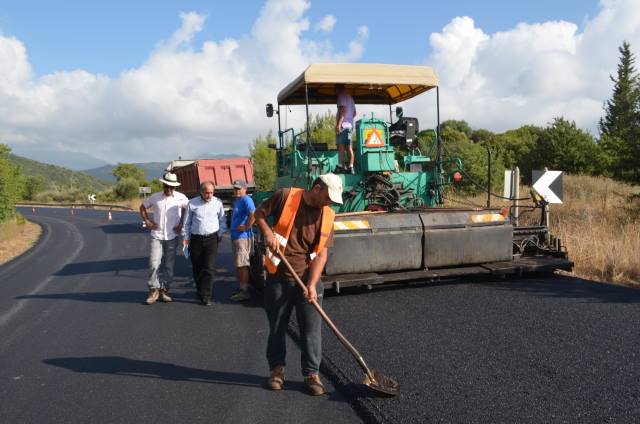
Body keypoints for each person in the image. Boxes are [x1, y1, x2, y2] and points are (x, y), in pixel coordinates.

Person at [255, 173, 343, 396]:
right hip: (278, 276)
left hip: (307, 278)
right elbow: (259, 214)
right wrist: (268, 233)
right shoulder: (286, 196)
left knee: (311, 331)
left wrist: (312, 284)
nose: (329, 202)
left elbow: (321, 255)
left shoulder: (328, 216)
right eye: (327, 196)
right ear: (316, 188)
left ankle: (311, 374)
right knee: (277, 327)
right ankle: (277, 370)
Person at [139, 172, 188, 305]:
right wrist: (147, 222)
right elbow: (142, 207)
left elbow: (189, 210)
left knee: (169, 266)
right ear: (163, 185)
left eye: (172, 187)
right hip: (157, 236)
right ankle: (153, 290)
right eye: (167, 186)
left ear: (175, 188)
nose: (169, 189)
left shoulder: (181, 198)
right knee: (153, 264)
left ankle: (164, 290)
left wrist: (182, 224)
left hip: (172, 237)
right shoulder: (155, 197)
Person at [182, 181, 227, 306]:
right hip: (196, 239)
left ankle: (206, 295)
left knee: (209, 267)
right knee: (197, 267)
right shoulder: (192, 203)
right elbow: (186, 223)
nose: (209, 195)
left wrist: (220, 233)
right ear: (201, 192)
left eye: (211, 192)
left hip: (212, 238)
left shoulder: (217, 202)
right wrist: (185, 238)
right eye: (207, 193)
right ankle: (200, 289)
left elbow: (222, 219)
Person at [229, 179, 256, 302]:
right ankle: (242, 287)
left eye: (239, 188)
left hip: (243, 237)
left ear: (245, 189)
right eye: (235, 188)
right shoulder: (238, 200)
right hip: (236, 237)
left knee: (243, 264)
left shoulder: (246, 199)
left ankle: (245, 291)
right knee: (239, 265)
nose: (236, 190)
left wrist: (246, 227)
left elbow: (253, 214)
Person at [335, 84, 356, 175]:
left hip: (343, 126)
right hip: (350, 127)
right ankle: (351, 167)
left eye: (335, 89)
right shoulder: (351, 98)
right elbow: (355, 113)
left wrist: (339, 124)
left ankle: (341, 166)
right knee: (349, 148)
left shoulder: (341, 96)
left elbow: (343, 110)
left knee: (341, 147)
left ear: (338, 89)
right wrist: (349, 120)